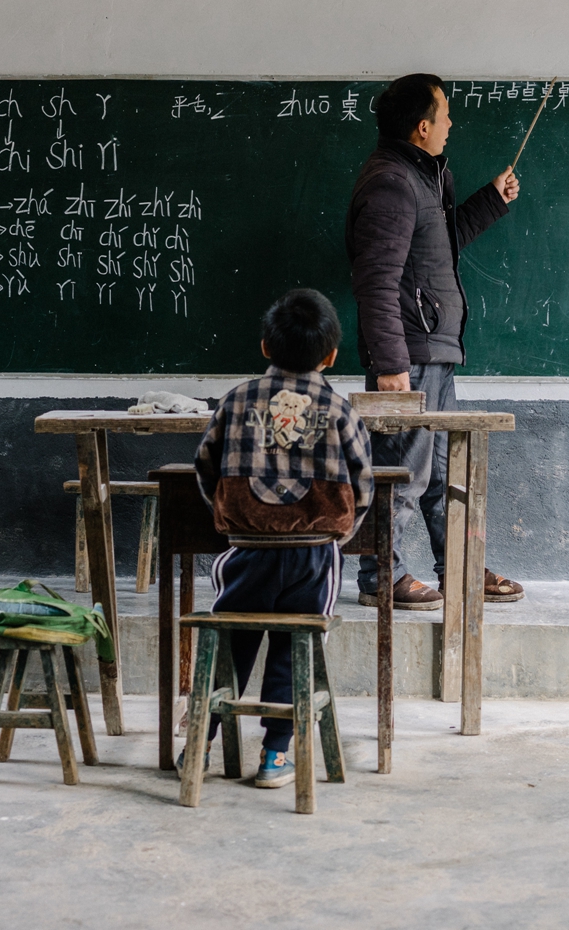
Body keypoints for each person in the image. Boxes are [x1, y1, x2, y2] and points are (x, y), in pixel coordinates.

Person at [347, 73, 525, 611]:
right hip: (411, 356)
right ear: (423, 127)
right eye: (445, 116)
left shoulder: (422, 177)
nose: (452, 124)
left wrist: (490, 201)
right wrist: (390, 364)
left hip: (435, 351)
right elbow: (376, 280)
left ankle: (460, 567)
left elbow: (438, 245)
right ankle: (382, 575)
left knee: (445, 473)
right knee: (404, 472)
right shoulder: (391, 184)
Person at [187, 288, 373, 788]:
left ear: (265, 347)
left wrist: (236, 520)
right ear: (332, 356)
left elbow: (203, 469)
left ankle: (198, 747)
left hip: (246, 553)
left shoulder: (235, 400)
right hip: (314, 558)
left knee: (232, 644)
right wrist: (334, 533)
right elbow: (363, 488)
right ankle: (274, 757)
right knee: (298, 649)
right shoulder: (340, 409)